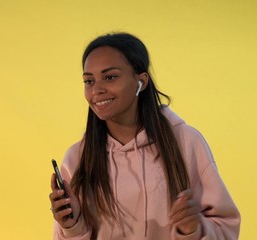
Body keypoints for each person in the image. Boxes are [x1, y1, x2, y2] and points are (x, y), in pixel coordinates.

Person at [49, 32, 241, 240]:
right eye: (89, 81)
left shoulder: (186, 142)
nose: (97, 89)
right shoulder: (78, 158)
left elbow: (226, 229)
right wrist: (72, 227)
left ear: (141, 81)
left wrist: (192, 230)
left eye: (110, 77)